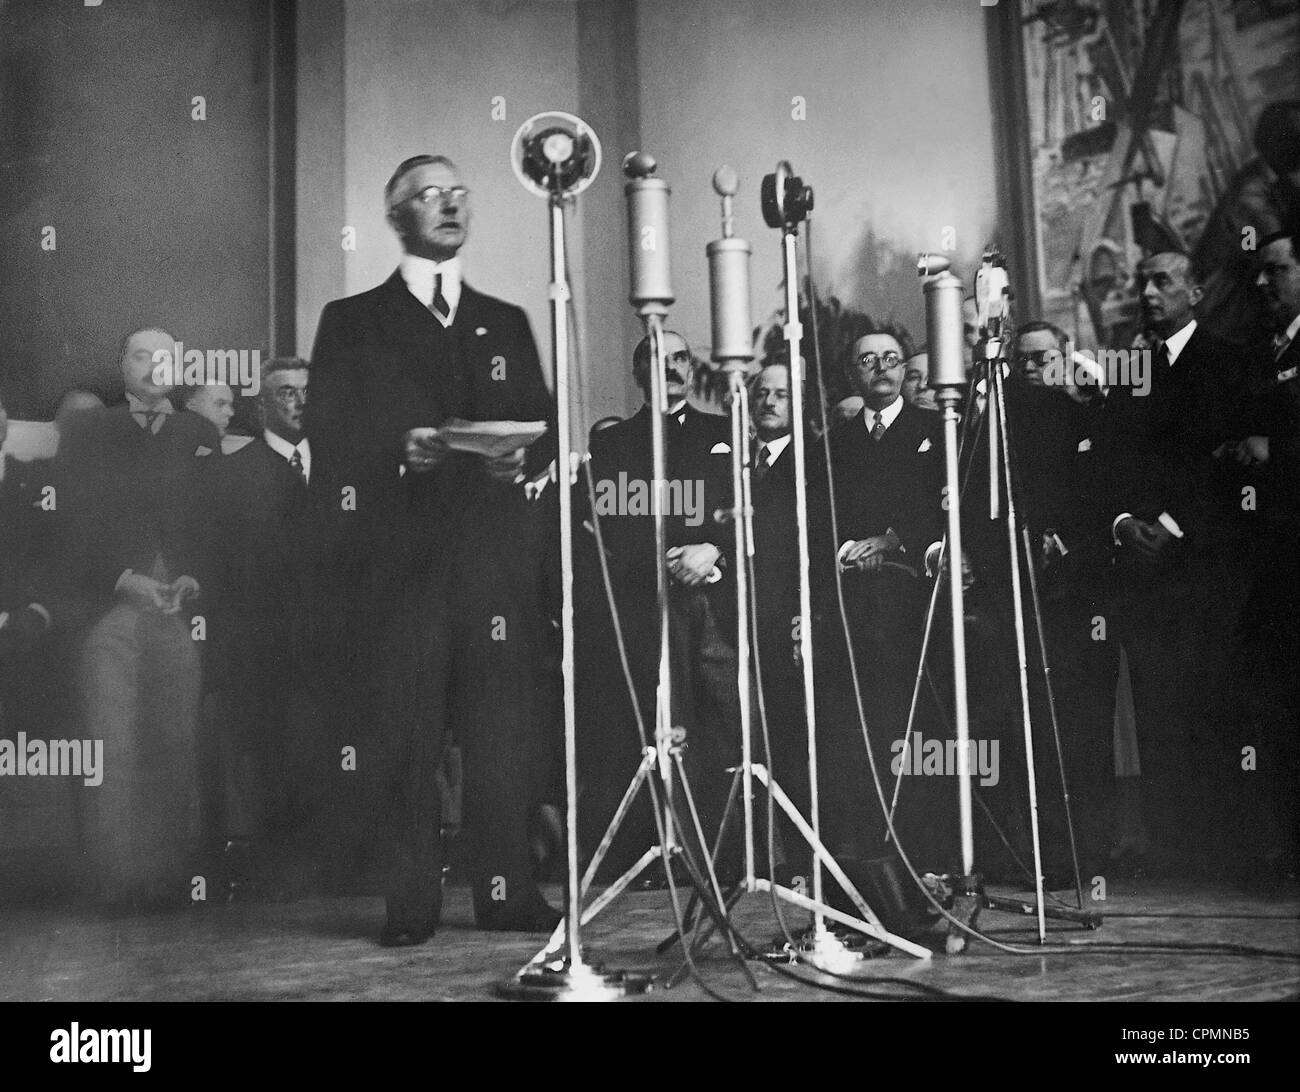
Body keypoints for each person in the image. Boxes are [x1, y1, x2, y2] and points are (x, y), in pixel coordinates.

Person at [307, 154, 560, 945]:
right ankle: (411, 903)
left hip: (492, 567)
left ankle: (506, 893)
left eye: (459, 193)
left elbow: (542, 428)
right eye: (430, 195)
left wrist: (525, 457)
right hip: (401, 566)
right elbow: (327, 431)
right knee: (405, 733)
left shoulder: (507, 319)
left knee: (499, 732)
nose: (449, 205)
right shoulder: (352, 321)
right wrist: (395, 450)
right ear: (396, 218)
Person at [1097, 251, 1253, 873]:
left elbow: (1225, 460)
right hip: (1141, 570)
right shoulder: (1128, 368)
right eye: (1144, 282)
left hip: (1205, 565)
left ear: (1195, 291)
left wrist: (1170, 524)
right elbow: (1105, 460)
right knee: (1158, 708)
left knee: (1211, 702)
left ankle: (1227, 847)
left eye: (1163, 281)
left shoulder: (1228, 362)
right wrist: (1121, 522)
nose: (1148, 291)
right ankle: (1172, 849)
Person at [55, 327, 219, 909]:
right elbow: (69, 523)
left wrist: (191, 576)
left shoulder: (197, 433)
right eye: (141, 355)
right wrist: (124, 579)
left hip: (178, 613)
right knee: (111, 743)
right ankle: (115, 883)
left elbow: (210, 522)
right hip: (109, 613)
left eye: (165, 356)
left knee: (175, 742)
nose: (153, 364)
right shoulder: (90, 431)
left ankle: (169, 879)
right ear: (122, 366)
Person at [577, 331, 738, 875]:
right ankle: (649, 855)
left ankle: (720, 853)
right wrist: (661, 563)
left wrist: (713, 550)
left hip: (715, 605)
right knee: (645, 723)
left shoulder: (724, 434)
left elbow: (749, 510)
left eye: (679, 359)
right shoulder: (614, 444)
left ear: (691, 370)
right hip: (644, 605)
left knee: (720, 723)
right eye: (655, 357)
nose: (670, 368)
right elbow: (602, 529)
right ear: (637, 370)